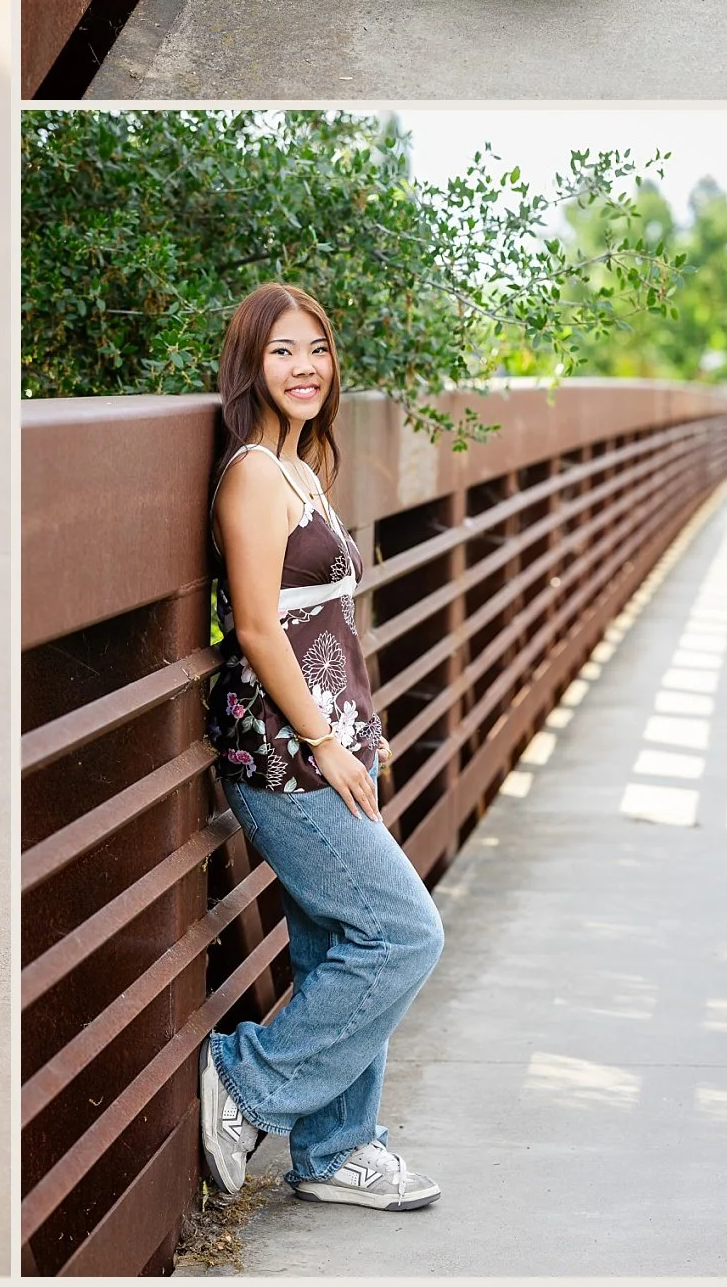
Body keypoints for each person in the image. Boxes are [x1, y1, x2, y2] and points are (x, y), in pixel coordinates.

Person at [199, 283, 445, 1213]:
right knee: (405, 934)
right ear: (250, 366)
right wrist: (324, 745)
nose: (304, 369)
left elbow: (326, 621)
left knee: (342, 939)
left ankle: (338, 1149)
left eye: (317, 350)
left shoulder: (305, 467)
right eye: (281, 353)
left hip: (340, 745)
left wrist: (356, 742)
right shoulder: (254, 473)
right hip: (287, 755)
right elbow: (259, 629)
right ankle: (246, 1077)